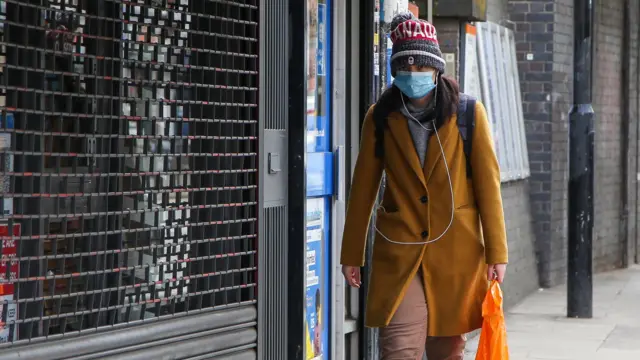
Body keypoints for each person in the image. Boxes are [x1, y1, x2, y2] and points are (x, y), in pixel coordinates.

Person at [340, 12, 508, 360]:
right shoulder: (381, 116)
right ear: (395, 71)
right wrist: (352, 253)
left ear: (436, 70)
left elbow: (489, 187)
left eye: (421, 69)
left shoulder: (467, 113)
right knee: (399, 349)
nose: (413, 76)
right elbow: (363, 187)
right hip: (400, 249)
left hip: (455, 249)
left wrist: (497, 253)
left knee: (447, 351)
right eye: (405, 69)